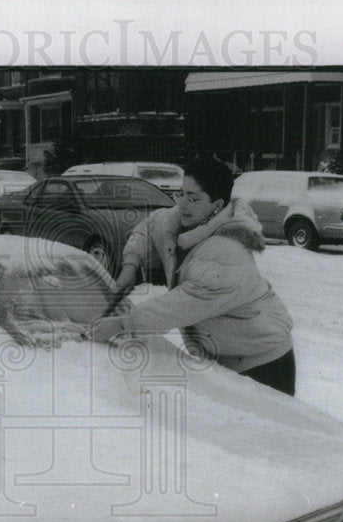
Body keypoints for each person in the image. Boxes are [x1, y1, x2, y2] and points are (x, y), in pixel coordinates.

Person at [91, 157, 296, 396]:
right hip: (223, 355)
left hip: (262, 362)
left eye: (193, 198)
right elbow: (149, 228)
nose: (184, 205)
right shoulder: (180, 219)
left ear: (217, 205)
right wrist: (130, 265)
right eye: (181, 194)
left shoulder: (226, 251)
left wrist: (122, 324)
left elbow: (178, 306)